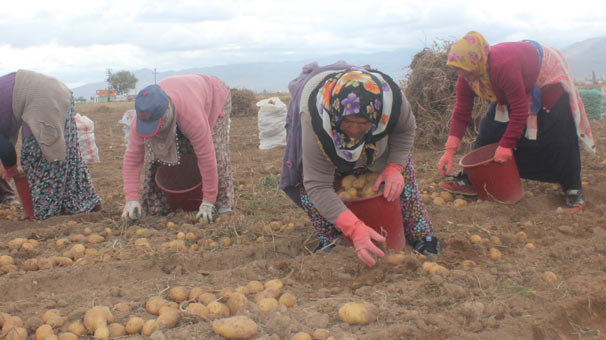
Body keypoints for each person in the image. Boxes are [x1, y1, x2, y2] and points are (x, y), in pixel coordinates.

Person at [280, 61, 439, 267]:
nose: (355, 131)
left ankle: (420, 234)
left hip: (375, 141)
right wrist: (353, 227)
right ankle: (333, 241)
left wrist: (394, 167)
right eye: (348, 123)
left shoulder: (391, 103)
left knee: (402, 173)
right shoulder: (315, 118)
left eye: (363, 123)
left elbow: (405, 131)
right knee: (308, 187)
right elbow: (317, 185)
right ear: (337, 116)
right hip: (326, 135)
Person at [438, 31, 595, 213]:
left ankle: (573, 189)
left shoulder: (503, 67)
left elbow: (520, 110)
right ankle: (470, 180)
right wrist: (449, 151)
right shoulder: (467, 73)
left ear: (478, 62)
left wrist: (507, 145)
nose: (461, 74)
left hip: (544, 72)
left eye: (464, 70)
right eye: (458, 69)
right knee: (491, 126)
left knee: (557, 126)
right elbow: (462, 111)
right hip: (514, 78)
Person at [121, 74, 234, 223]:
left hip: (213, 95)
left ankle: (221, 204)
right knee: (157, 153)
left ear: (166, 115)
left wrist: (208, 200)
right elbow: (133, 158)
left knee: (215, 150)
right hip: (184, 96)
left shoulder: (191, 117)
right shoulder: (142, 116)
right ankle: (162, 205)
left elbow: (206, 156)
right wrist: (131, 199)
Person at [0, 70, 102, 219]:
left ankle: (44, 212)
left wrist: (10, 168)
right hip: (59, 91)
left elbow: (4, 147)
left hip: (41, 97)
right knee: (67, 154)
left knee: (38, 156)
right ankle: (84, 203)